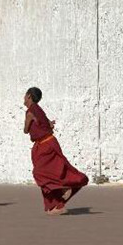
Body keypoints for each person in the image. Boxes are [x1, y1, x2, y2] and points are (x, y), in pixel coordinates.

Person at [23, 87, 89, 215]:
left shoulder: (31, 111)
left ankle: (64, 189)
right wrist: (48, 124)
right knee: (54, 171)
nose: (24, 98)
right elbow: (47, 123)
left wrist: (29, 121)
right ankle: (55, 206)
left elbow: (26, 130)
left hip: (45, 145)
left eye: (25, 95)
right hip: (47, 143)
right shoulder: (38, 109)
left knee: (41, 174)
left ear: (29, 96)